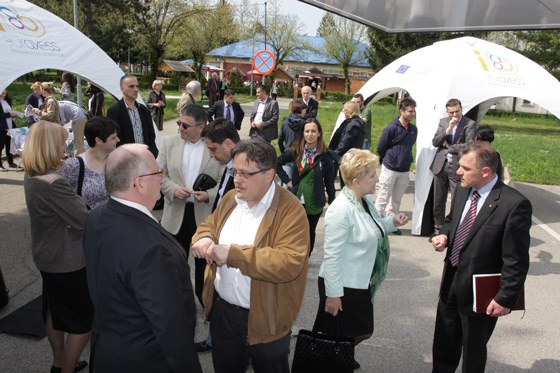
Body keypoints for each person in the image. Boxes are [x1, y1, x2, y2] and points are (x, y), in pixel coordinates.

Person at [191, 140, 310, 373]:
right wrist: (204, 237)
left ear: (269, 175)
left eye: (245, 174)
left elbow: (288, 262)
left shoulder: (291, 209)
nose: (237, 180)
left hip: (268, 317)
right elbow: (209, 225)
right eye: (235, 172)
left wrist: (233, 254)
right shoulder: (231, 199)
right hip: (223, 313)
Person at [83, 144, 202, 372]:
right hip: (145, 360)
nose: (161, 178)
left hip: (107, 349)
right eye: (158, 173)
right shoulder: (151, 248)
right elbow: (170, 326)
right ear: (139, 183)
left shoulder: (96, 217)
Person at [431, 141, 531, 372]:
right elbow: (450, 220)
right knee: (444, 342)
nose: (458, 172)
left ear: (485, 171)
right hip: (451, 281)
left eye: (465, 168)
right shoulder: (464, 189)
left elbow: (516, 259)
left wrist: (506, 297)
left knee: (473, 350)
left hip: (481, 292)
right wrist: (444, 236)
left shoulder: (514, 205)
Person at [313, 149, 408, 370]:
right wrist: (334, 294)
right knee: (344, 333)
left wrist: (392, 221)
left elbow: (372, 228)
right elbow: (332, 256)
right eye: (373, 176)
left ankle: (340, 354)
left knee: (357, 331)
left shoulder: (363, 200)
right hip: (342, 285)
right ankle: (331, 359)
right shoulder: (340, 210)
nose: (377, 180)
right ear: (356, 181)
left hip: (360, 281)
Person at [22, 120, 91, 373]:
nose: (67, 144)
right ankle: (68, 368)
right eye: (63, 141)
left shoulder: (33, 175)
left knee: (55, 310)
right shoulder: (54, 183)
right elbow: (84, 218)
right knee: (83, 318)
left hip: (47, 256)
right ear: (50, 145)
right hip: (68, 260)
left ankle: (59, 361)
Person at [157, 104, 222, 306]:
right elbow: (158, 175)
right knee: (174, 265)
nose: (180, 128)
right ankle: (176, 304)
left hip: (203, 217)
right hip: (175, 215)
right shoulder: (168, 143)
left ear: (200, 127)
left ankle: (205, 304)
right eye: (179, 123)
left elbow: (224, 182)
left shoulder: (214, 146)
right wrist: (173, 189)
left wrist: (209, 195)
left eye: (185, 125)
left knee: (205, 266)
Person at [194, 118, 241, 354]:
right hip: (219, 239)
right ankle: (214, 339)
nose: (211, 155)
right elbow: (223, 200)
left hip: (233, 249)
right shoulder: (231, 166)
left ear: (229, 143)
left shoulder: (246, 170)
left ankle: (244, 350)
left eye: (213, 149)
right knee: (215, 293)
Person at [277, 118, 338, 254]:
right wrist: (287, 181)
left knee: (310, 231)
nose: (310, 134)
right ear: (303, 133)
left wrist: (333, 203)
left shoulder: (325, 157)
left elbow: (329, 182)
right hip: (296, 200)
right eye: (307, 131)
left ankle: (305, 258)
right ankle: (292, 255)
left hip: (314, 202)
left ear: (319, 134)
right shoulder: (296, 151)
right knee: (292, 230)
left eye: (313, 131)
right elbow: (277, 163)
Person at [430, 98, 477, 236]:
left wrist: (450, 147)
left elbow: (469, 145)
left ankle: (452, 230)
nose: (455, 115)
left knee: (456, 199)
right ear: (447, 112)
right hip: (441, 165)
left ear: (461, 109)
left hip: (457, 166)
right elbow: (435, 142)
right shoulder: (443, 122)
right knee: (438, 200)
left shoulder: (469, 124)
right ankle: (438, 229)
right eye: (451, 112)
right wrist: (448, 130)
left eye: (457, 111)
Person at [375, 97, 417, 234]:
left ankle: (391, 224)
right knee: (383, 197)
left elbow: (411, 145)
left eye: (414, 111)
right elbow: (381, 147)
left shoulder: (413, 129)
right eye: (410, 111)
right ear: (402, 111)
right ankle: (375, 224)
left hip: (404, 170)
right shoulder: (391, 128)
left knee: (396, 200)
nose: (413, 114)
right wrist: (389, 159)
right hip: (390, 168)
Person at [59, 117, 120, 209]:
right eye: (113, 138)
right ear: (99, 140)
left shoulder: (118, 159)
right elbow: (61, 199)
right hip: (88, 221)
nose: (118, 140)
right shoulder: (74, 165)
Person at [107, 75, 158, 157]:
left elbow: (151, 135)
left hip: (145, 157)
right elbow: (115, 138)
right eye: (131, 86)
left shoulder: (144, 110)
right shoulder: (114, 111)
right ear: (122, 89)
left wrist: (151, 152)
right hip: (125, 158)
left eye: (137, 86)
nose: (135, 89)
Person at [0, 89, 18, 171]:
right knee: (1, 146)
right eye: (3, 91)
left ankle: (10, 162)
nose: (4, 92)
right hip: (1, 127)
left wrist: (13, 114)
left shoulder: (7, 100)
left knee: (9, 144)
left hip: (9, 125)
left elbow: (9, 111)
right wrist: (8, 114)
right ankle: (0, 165)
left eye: (5, 91)